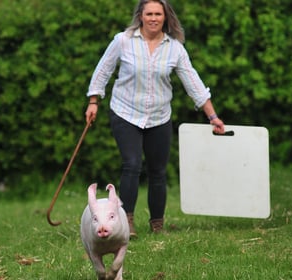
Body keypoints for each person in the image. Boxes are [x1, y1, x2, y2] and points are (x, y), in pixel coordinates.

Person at [84, 0, 225, 237]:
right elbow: (103, 70)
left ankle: (157, 224)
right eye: (148, 13)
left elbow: (193, 83)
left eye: (158, 14)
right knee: (132, 165)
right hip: (125, 112)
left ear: (166, 17)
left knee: (158, 171)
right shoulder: (123, 40)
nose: (153, 18)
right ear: (140, 16)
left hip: (159, 117)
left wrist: (212, 116)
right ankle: (126, 221)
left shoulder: (175, 48)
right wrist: (93, 101)